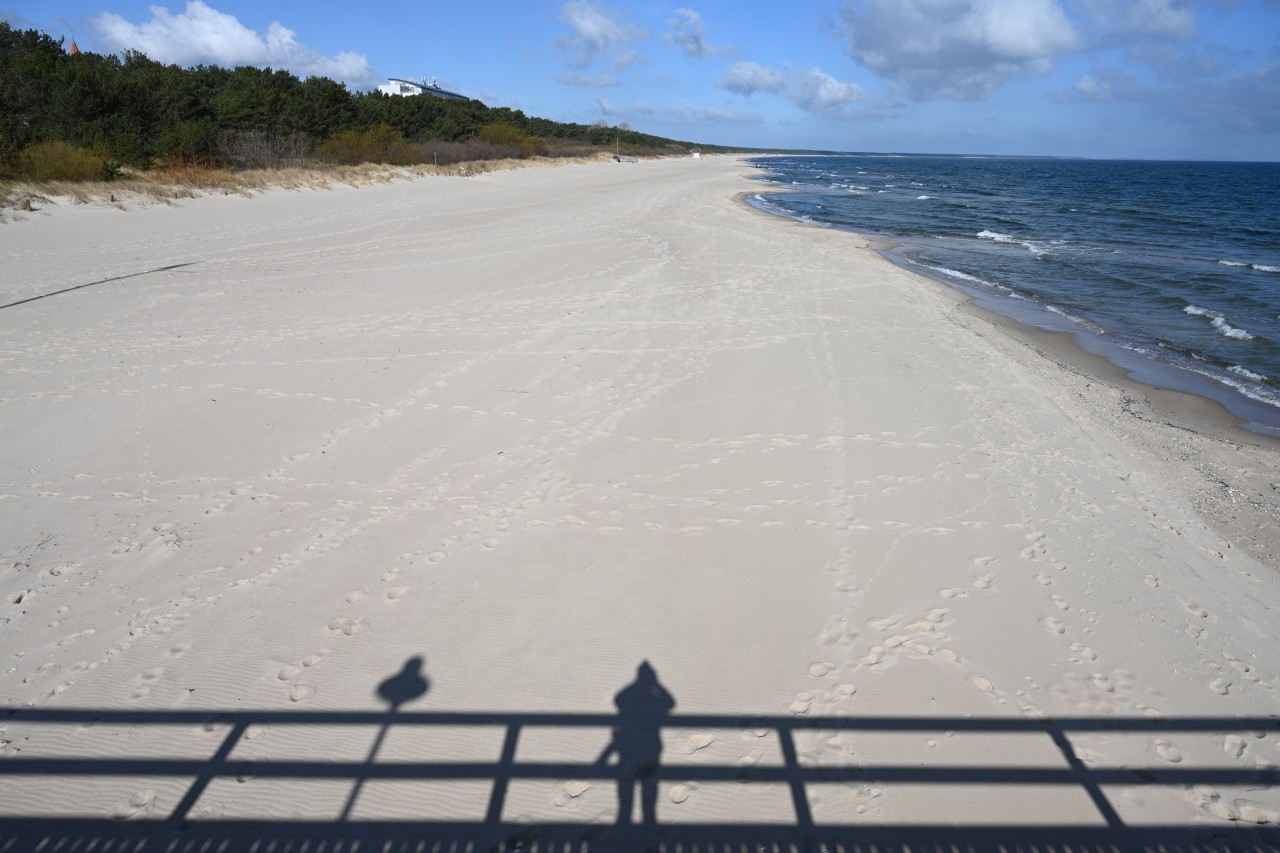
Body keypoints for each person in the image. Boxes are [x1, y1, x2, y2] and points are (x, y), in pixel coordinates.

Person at [596, 661, 675, 826]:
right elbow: (670, 703)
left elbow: (618, 699)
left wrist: (636, 684)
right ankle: (648, 823)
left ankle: (625, 825)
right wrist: (657, 685)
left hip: (628, 748)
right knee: (648, 788)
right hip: (649, 748)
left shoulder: (629, 698)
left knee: (627, 789)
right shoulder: (655, 700)